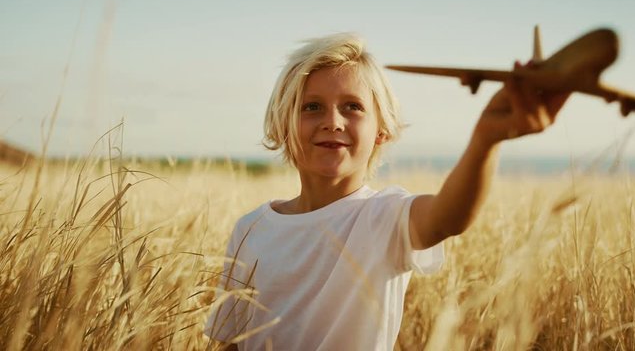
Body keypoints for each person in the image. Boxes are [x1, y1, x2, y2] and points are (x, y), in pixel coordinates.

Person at [204, 33, 569, 350]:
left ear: (382, 130)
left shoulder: (386, 216)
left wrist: (486, 139)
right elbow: (231, 342)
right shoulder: (251, 228)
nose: (333, 121)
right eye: (312, 107)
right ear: (283, 125)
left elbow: (449, 216)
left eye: (353, 107)